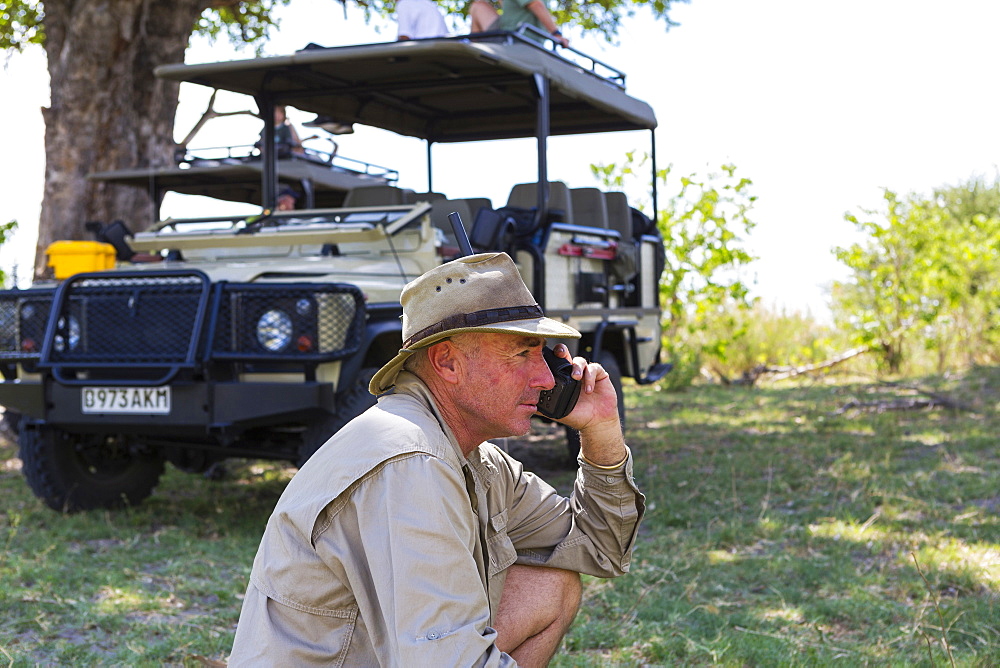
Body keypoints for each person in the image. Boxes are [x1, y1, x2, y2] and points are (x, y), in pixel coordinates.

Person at [228, 252, 644, 666]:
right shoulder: (411, 462)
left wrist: (600, 429)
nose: (547, 378)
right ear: (447, 362)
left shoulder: (477, 459)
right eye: (520, 354)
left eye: (542, 354)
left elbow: (599, 547)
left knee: (550, 585)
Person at [469, 0, 569, 48]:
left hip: (513, 39)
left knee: (477, 6)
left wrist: (556, 34)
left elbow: (536, 5)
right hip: (515, 37)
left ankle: (474, 50)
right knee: (478, 5)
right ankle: (474, 48)